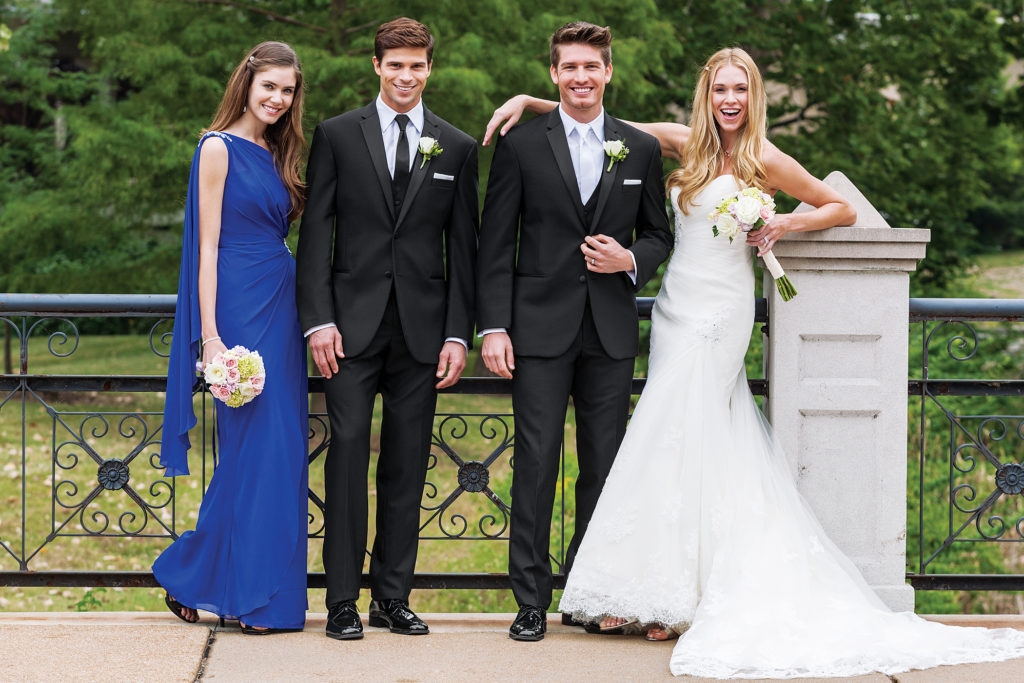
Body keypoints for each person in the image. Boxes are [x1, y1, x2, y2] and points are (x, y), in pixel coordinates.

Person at [485, 47, 1024, 676]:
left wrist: (781, 228)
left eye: (739, 89)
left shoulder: (763, 158)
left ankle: (680, 598)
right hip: (675, 306)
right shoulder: (683, 143)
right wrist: (530, 102)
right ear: (705, 95)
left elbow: (839, 207)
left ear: (754, 94)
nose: (729, 100)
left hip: (722, 310)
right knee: (664, 438)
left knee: (694, 431)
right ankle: (647, 591)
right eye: (719, 89)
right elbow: (596, 118)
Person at [476, 21, 673, 642]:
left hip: (610, 330)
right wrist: (495, 327)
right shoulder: (522, 144)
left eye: (593, 66)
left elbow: (660, 233)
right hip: (536, 329)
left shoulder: (640, 147)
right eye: (570, 68)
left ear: (608, 72)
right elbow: (494, 243)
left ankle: (590, 596)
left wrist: (630, 260)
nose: (582, 77)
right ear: (554, 76)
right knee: (535, 462)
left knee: (604, 467)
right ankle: (530, 602)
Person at [296, 18, 478, 641]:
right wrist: (317, 319)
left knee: (407, 464)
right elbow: (316, 235)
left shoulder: (456, 146)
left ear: (431, 69)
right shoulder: (338, 135)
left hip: (424, 337)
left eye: (418, 66)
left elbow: (466, 251)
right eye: (396, 65)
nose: (407, 77)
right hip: (347, 331)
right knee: (346, 457)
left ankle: (392, 597)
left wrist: (459, 334)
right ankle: (342, 600)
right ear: (377, 66)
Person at [156, 41, 309, 635]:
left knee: (280, 452)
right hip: (239, 312)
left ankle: (226, 587)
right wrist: (211, 337)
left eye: (287, 90)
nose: (277, 98)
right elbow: (207, 247)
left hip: (282, 302)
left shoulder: (278, 152)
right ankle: (242, 594)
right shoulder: (216, 149)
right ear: (245, 83)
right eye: (269, 85)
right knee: (255, 450)